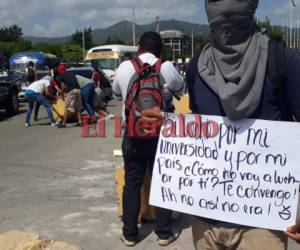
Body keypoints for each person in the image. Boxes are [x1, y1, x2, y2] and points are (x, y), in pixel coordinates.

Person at [185, 1, 300, 250]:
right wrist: (164, 124)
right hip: (205, 218)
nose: (225, 7)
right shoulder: (196, 67)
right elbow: (198, 133)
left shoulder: (283, 60)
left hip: (263, 224)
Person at [112, 31, 184, 247]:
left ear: (139, 48)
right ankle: (164, 233)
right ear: (160, 49)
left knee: (132, 183)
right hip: (161, 136)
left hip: (133, 133)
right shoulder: (166, 67)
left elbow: (117, 94)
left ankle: (130, 234)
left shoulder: (125, 67)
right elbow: (182, 88)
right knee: (162, 182)